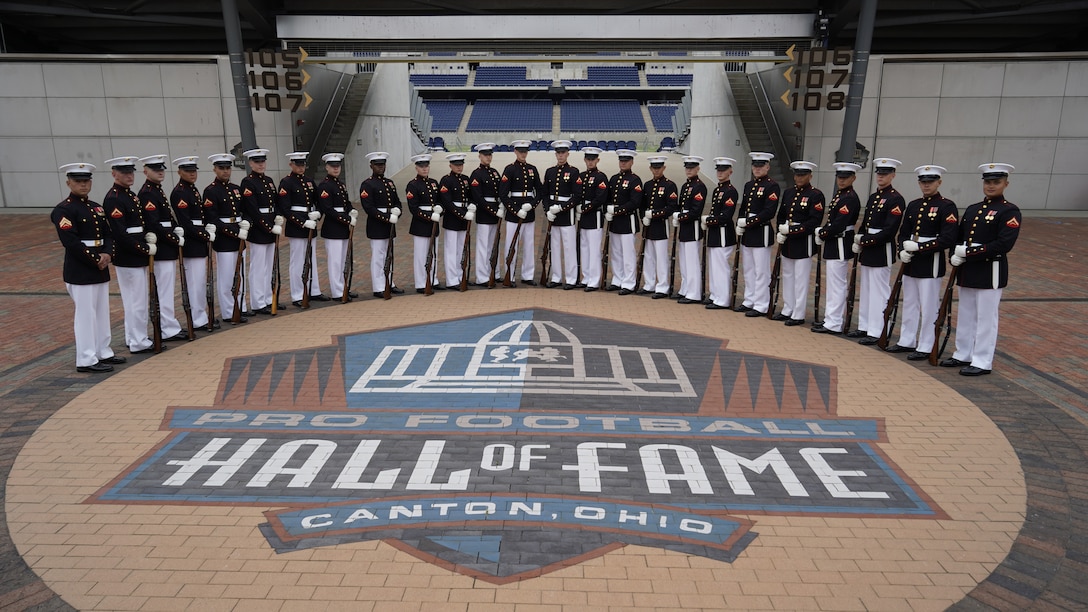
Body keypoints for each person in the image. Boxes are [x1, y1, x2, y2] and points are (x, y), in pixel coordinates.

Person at [940, 163, 1021, 376]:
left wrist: (969, 253)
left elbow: (1004, 244)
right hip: (968, 270)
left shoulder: (1009, 211)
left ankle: (983, 360)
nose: (991, 186)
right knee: (966, 314)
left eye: (996, 182)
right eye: (988, 182)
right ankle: (963, 353)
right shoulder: (974, 209)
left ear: (1006, 184)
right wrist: (955, 255)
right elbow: (959, 237)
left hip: (989, 270)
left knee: (986, 317)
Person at [52, 162, 125, 372]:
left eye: (86, 181)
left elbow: (108, 234)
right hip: (80, 268)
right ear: (68, 182)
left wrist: (107, 253)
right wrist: (96, 258)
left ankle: (103, 351)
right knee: (85, 315)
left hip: (99, 265)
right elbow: (71, 242)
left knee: (101, 312)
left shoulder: (96, 207)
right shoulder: (64, 209)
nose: (83, 185)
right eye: (78, 181)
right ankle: (86, 358)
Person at [887, 165, 959, 359]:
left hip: (930, 262)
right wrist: (902, 249)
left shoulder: (947, 206)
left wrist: (920, 248)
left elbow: (948, 238)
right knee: (909, 302)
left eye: (930, 182)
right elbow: (903, 232)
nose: (926, 185)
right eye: (923, 182)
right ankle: (906, 340)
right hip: (911, 261)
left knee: (928, 306)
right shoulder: (914, 204)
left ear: (939, 182)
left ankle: (926, 345)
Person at [102, 155, 157, 353]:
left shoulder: (129, 195)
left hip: (135, 253)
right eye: (124, 172)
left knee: (135, 299)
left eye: (131, 172)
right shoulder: (114, 198)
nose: (129, 176)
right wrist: (143, 248)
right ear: (114, 173)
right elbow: (119, 232)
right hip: (129, 255)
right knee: (137, 301)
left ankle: (132, 337)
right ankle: (138, 341)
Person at [850, 157, 905, 344]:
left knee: (879, 291)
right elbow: (866, 223)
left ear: (893, 175)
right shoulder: (874, 197)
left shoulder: (895, 199)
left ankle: (878, 329)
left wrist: (866, 239)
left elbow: (890, 230)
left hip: (881, 248)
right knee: (866, 289)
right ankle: (865, 326)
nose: (881, 177)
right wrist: (859, 236)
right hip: (868, 248)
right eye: (879, 173)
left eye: (885, 174)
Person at [137, 155, 186, 341]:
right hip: (162, 247)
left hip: (167, 246)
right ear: (145, 171)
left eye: (161, 168)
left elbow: (166, 219)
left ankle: (169, 325)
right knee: (164, 291)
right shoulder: (148, 193)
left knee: (167, 290)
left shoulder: (156, 190)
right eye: (155, 169)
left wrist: (175, 229)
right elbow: (154, 223)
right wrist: (173, 237)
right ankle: (167, 328)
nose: (160, 171)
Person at [812, 162, 863, 334]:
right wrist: (825, 231)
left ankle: (834, 322)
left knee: (837, 285)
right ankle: (830, 319)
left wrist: (823, 233)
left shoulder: (849, 197)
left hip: (840, 242)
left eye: (845, 178)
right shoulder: (841, 195)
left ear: (853, 178)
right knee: (832, 284)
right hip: (835, 242)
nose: (841, 181)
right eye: (839, 177)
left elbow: (839, 224)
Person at [773, 160, 825, 325]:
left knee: (801, 279)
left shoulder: (816, 195)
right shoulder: (788, 193)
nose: (799, 177)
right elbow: (781, 214)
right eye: (797, 174)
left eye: (803, 174)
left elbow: (813, 222)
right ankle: (788, 308)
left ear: (810, 175)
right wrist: (780, 230)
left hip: (803, 242)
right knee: (788, 276)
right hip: (788, 241)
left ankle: (798, 313)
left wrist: (793, 231)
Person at [735, 152, 781, 317]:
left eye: (761, 166)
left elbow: (769, 212)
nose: (757, 169)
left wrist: (748, 222)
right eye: (755, 165)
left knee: (761, 271)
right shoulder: (749, 185)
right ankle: (749, 300)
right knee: (748, 269)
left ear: (767, 167)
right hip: (748, 232)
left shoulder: (772, 186)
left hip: (761, 231)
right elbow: (743, 208)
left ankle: (761, 304)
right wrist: (739, 222)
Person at [277, 151, 326, 307]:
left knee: (311, 258)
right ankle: (298, 294)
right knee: (298, 261)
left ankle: (313, 290)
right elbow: (285, 208)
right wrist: (302, 222)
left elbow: (318, 201)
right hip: (297, 226)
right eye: (298, 164)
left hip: (310, 221)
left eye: (303, 164)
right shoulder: (286, 182)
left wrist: (318, 213)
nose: (301, 167)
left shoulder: (309, 181)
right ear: (291, 165)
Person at [205, 153, 249, 324]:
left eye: (228, 168)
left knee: (240, 274)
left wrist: (246, 223)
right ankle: (229, 311)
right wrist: (234, 232)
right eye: (221, 168)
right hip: (225, 239)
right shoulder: (211, 191)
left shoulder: (236, 189)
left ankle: (240, 307)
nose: (225, 171)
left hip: (239, 235)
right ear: (215, 169)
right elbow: (213, 219)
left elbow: (244, 211)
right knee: (226, 277)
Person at [170, 155, 214, 330]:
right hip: (192, 242)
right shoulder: (180, 192)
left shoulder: (192, 190)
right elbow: (186, 223)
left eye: (194, 171)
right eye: (188, 171)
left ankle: (200, 316)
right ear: (179, 172)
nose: (192, 174)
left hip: (199, 240)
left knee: (200, 282)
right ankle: (197, 319)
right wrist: (204, 234)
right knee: (195, 283)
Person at [239, 148, 281, 315]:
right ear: (250, 163)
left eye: (262, 161)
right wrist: (268, 226)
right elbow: (252, 209)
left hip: (271, 225)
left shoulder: (269, 181)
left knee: (269, 265)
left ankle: (269, 299)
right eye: (257, 162)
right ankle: (257, 302)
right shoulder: (248, 182)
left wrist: (278, 217)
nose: (261, 164)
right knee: (258, 267)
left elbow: (276, 202)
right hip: (259, 228)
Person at [359, 151, 404, 297]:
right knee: (378, 257)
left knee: (389, 254)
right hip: (377, 224)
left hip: (390, 223)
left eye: (382, 164)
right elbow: (369, 208)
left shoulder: (389, 183)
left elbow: (397, 201)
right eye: (377, 165)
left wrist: (398, 210)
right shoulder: (367, 184)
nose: (381, 167)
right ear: (371, 166)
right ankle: (378, 286)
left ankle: (389, 282)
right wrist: (386, 217)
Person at [499, 139, 542, 286]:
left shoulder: (532, 169)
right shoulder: (509, 169)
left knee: (529, 245)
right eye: (520, 152)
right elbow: (503, 194)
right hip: (513, 214)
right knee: (512, 244)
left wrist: (532, 205)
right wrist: (516, 210)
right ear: (515, 152)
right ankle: (509, 275)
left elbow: (540, 191)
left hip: (529, 213)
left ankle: (528, 275)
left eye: (525, 152)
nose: (523, 154)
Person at [315, 153, 358, 301]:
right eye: (332, 166)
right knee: (335, 262)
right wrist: (346, 218)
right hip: (333, 227)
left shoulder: (340, 184)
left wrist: (351, 210)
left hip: (343, 226)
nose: (335, 169)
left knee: (343, 260)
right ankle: (337, 291)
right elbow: (327, 209)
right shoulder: (325, 185)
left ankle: (344, 287)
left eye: (337, 166)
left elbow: (346, 202)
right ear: (327, 167)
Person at [638, 155, 679, 298]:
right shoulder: (648, 185)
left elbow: (672, 207)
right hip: (648, 226)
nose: (656, 170)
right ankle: (649, 284)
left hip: (661, 225)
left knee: (661, 257)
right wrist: (643, 217)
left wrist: (654, 214)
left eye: (659, 168)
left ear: (664, 168)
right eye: (654, 168)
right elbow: (642, 205)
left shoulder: (669, 185)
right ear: (650, 168)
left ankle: (662, 286)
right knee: (648, 256)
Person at [605, 149, 643, 295]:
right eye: (621, 161)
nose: (623, 163)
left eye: (626, 161)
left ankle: (628, 282)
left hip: (627, 221)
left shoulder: (635, 180)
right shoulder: (614, 179)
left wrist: (617, 210)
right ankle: (617, 279)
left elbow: (635, 202)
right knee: (616, 253)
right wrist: (607, 210)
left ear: (632, 162)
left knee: (628, 254)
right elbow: (608, 198)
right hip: (615, 222)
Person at [542, 140, 579, 289]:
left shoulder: (574, 171)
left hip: (566, 214)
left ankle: (571, 278)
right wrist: (547, 210)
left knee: (569, 248)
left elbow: (576, 196)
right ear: (555, 154)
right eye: (558, 153)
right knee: (554, 247)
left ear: (567, 154)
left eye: (563, 153)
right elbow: (545, 194)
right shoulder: (550, 171)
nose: (561, 155)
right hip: (553, 214)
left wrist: (562, 208)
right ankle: (556, 277)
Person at [704, 157, 739, 310]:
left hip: (724, 233)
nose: (720, 173)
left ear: (730, 172)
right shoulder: (718, 189)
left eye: (723, 170)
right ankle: (715, 294)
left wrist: (709, 220)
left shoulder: (730, 191)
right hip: (716, 232)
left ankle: (723, 299)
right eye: (718, 170)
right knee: (714, 266)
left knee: (721, 267)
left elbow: (726, 215)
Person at [406, 153, 443, 292]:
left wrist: (440, 210)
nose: (424, 168)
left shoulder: (433, 182)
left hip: (434, 221)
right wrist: (430, 216)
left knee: (433, 253)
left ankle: (432, 278)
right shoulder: (412, 185)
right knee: (421, 255)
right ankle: (421, 282)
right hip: (421, 224)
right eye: (421, 166)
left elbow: (439, 200)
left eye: (426, 166)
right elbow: (413, 208)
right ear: (416, 168)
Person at [575, 146, 609, 292]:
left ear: (597, 160)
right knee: (584, 248)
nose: (590, 162)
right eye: (588, 159)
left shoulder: (601, 177)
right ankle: (586, 277)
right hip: (583, 217)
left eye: (593, 159)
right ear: (584, 160)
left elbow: (600, 198)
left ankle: (594, 280)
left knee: (594, 250)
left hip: (594, 216)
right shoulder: (581, 176)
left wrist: (584, 208)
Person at [674, 155, 708, 304]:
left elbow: (695, 211)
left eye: (692, 168)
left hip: (692, 228)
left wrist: (680, 216)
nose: (689, 170)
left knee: (692, 262)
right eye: (687, 168)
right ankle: (685, 288)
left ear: (698, 169)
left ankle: (694, 293)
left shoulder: (700, 187)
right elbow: (681, 205)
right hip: (684, 228)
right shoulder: (686, 186)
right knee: (684, 262)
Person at [439, 153, 474, 289]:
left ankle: (461, 276)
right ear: (450, 165)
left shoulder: (465, 179)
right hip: (452, 218)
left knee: (461, 248)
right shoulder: (446, 180)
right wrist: (462, 214)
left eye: (461, 165)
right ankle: (452, 280)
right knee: (451, 250)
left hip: (464, 216)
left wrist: (471, 206)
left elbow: (471, 196)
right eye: (456, 165)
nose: (459, 167)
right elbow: (447, 202)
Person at [468, 143, 502, 286]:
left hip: (495, 211)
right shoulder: (476, 174)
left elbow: (500, 191)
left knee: (494, 244)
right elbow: (477, 197)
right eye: (485, 155)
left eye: (490, 155)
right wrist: (493, 210)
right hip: (484, 212)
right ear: (479, 156)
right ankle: (482, 276)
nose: (488, 157)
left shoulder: (494, 172)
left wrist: (501, 204)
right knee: (483, 246)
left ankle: (494, 272)